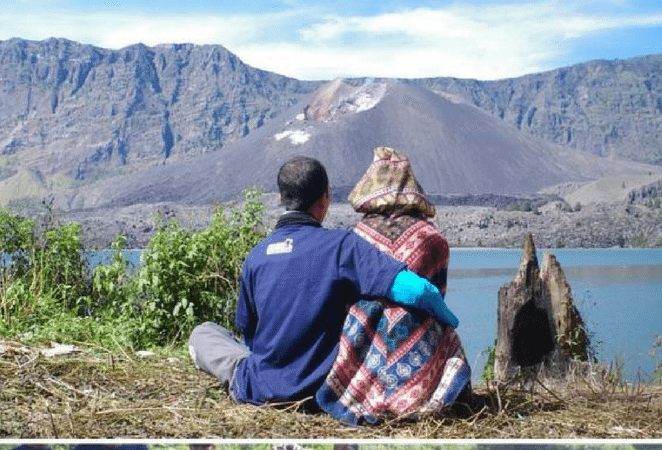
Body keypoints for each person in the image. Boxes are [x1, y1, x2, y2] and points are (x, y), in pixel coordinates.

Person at [188, 155, 458, 406]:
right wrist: (449, 321)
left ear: (281, 197)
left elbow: (250, 334)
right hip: (320, 390)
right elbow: (417, 291)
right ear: (324, 199)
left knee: (204, 333)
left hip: (259, 387)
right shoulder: (342, 247)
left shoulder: (256, 257)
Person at [315, 147, 471, 425]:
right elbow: (437, 296)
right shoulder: (433, 239)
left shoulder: (356, 237)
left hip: (362, 336)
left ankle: (358, 392)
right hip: (419, 332)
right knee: (448, 336)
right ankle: (429, 393)